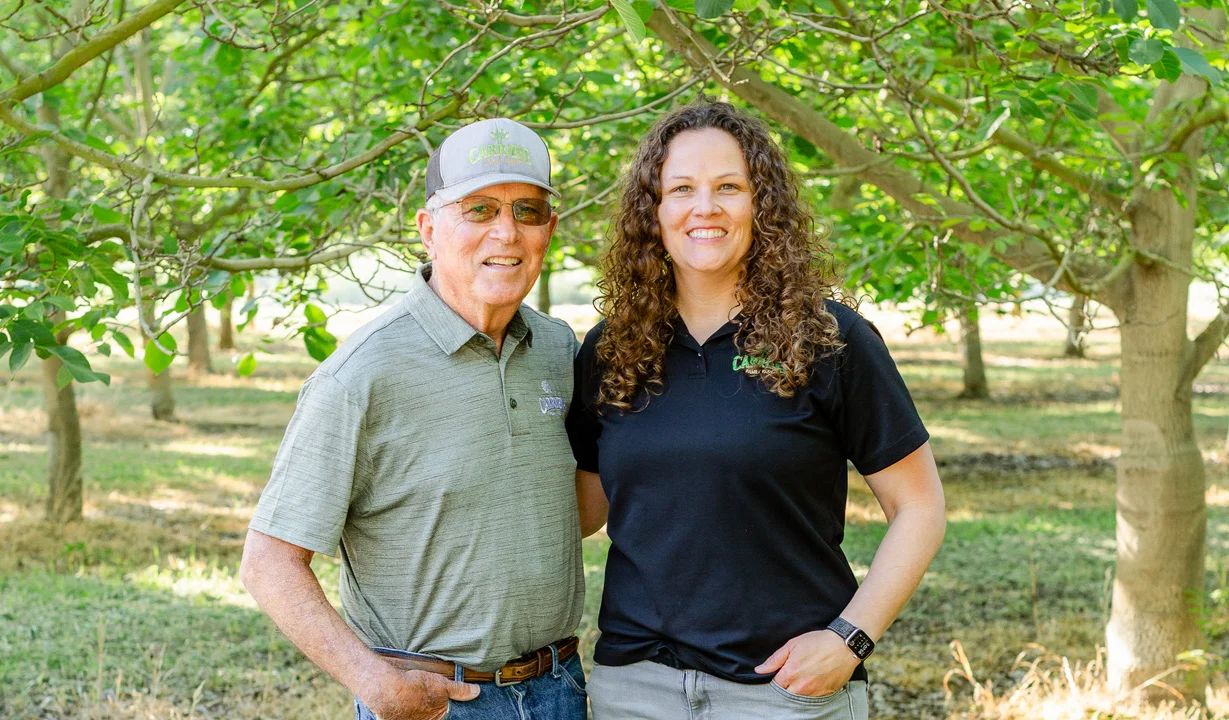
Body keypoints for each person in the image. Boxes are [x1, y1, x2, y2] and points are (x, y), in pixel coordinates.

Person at [566, 101, 946, 720]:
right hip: (634, 689)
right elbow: (585, 506)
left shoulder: (828, 339)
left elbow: (921, 508)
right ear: (653, 212)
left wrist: (849, 639)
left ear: (761, 204)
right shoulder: (612, 349)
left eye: (729, 188)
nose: (704, 208)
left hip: (785, 692)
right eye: (681, 188)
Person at [240, 118, 588, 720]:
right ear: (428, 229)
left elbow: (567, 512)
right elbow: (268, 563)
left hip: (562, 688)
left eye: (528, 211)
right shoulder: (360, 375)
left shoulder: (559, 351)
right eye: (478, 209)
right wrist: (375, 683)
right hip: (436, 702)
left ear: (549, 231)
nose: (506, 231)